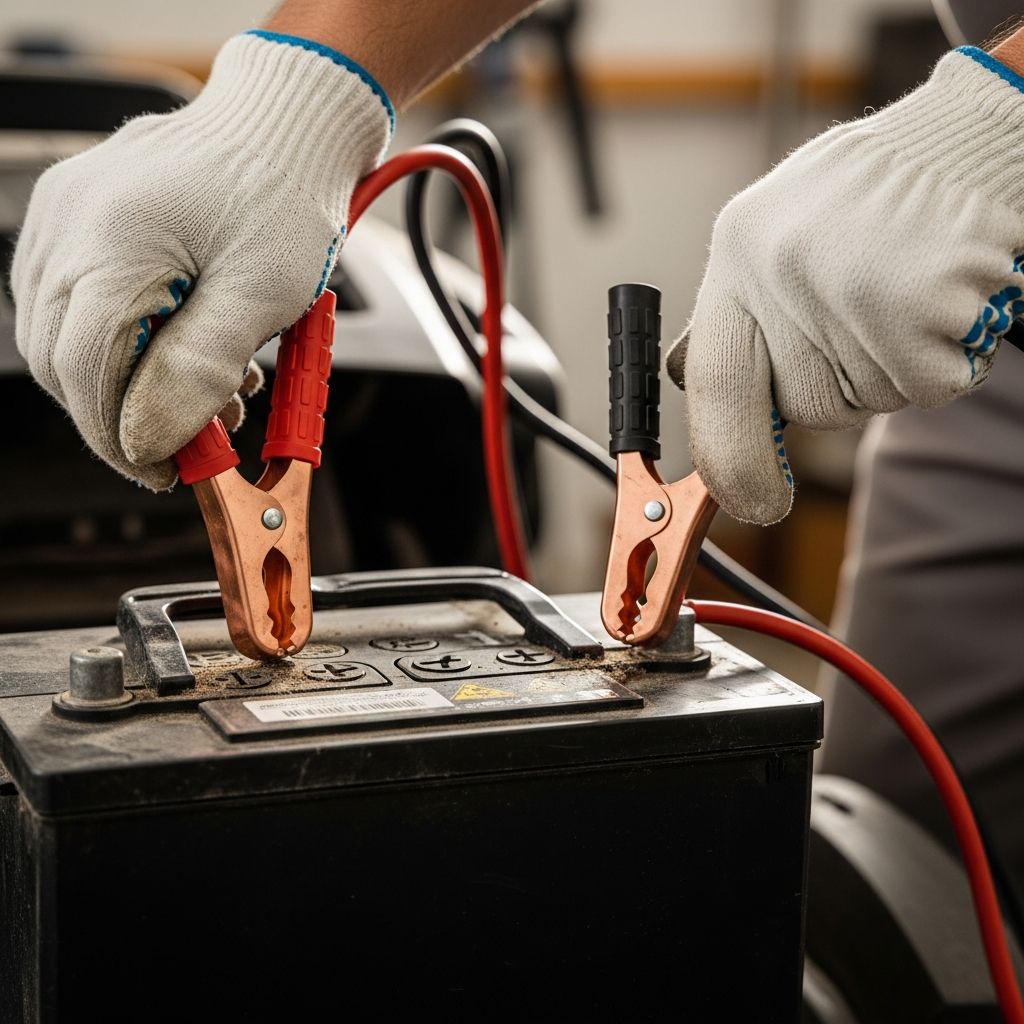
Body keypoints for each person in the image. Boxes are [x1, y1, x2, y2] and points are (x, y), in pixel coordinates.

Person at [10, 3, 1024, 869]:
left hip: (986, 200)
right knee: (918, 855)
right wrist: (295, 88)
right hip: (990, 323)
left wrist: (995, 134)